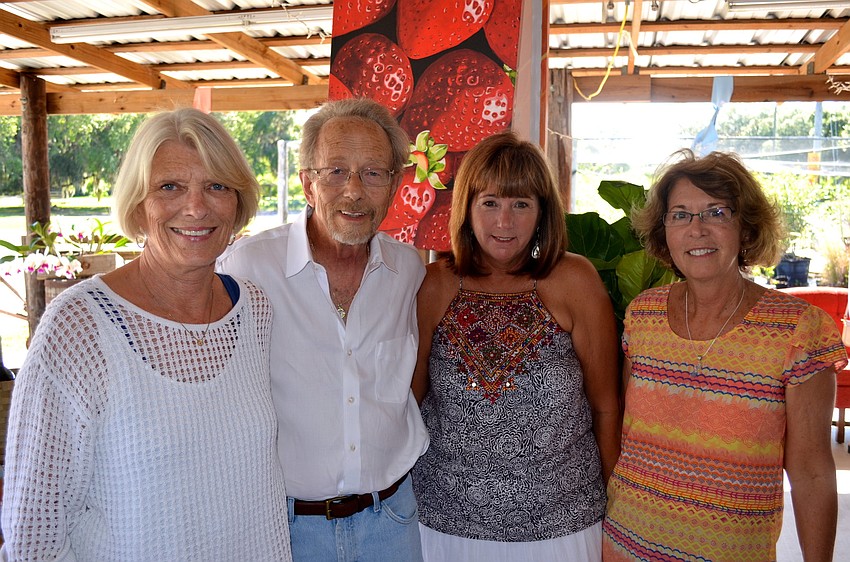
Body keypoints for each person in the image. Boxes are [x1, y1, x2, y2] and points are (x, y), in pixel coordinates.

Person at [0, 108, 292, 560]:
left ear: (238, 202)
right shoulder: (78, 327)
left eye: (217, 186)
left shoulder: (253, 309)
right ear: (138, 205)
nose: (196, 207)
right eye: (169, 187)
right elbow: (34, 534)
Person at [602, 149, 846, 561]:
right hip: (627, 544)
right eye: (680, 215)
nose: (696, 229)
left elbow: (811, 472)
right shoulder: (642, 315)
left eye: (716, 213)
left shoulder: (798, 330)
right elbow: (629, 435)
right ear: (664, 231)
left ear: (745, 228)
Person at [217, 98, 428, 561]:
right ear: (307, 184)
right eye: (335, 171)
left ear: (395, 185)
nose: (354, 191)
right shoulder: (248, 268)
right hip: (288, 529)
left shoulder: (408, 270)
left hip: (392, 522)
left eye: (373, 173)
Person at [411, 131, 621, 561]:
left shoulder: (574, 280)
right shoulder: (434, 285)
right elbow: (408, 405)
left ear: (543, 212)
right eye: (490, 203)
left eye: (521, 204)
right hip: (445, 526)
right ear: (467, 209)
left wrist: (618, 510)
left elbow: (606, 407)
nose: (504, 222)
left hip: (563, 528)